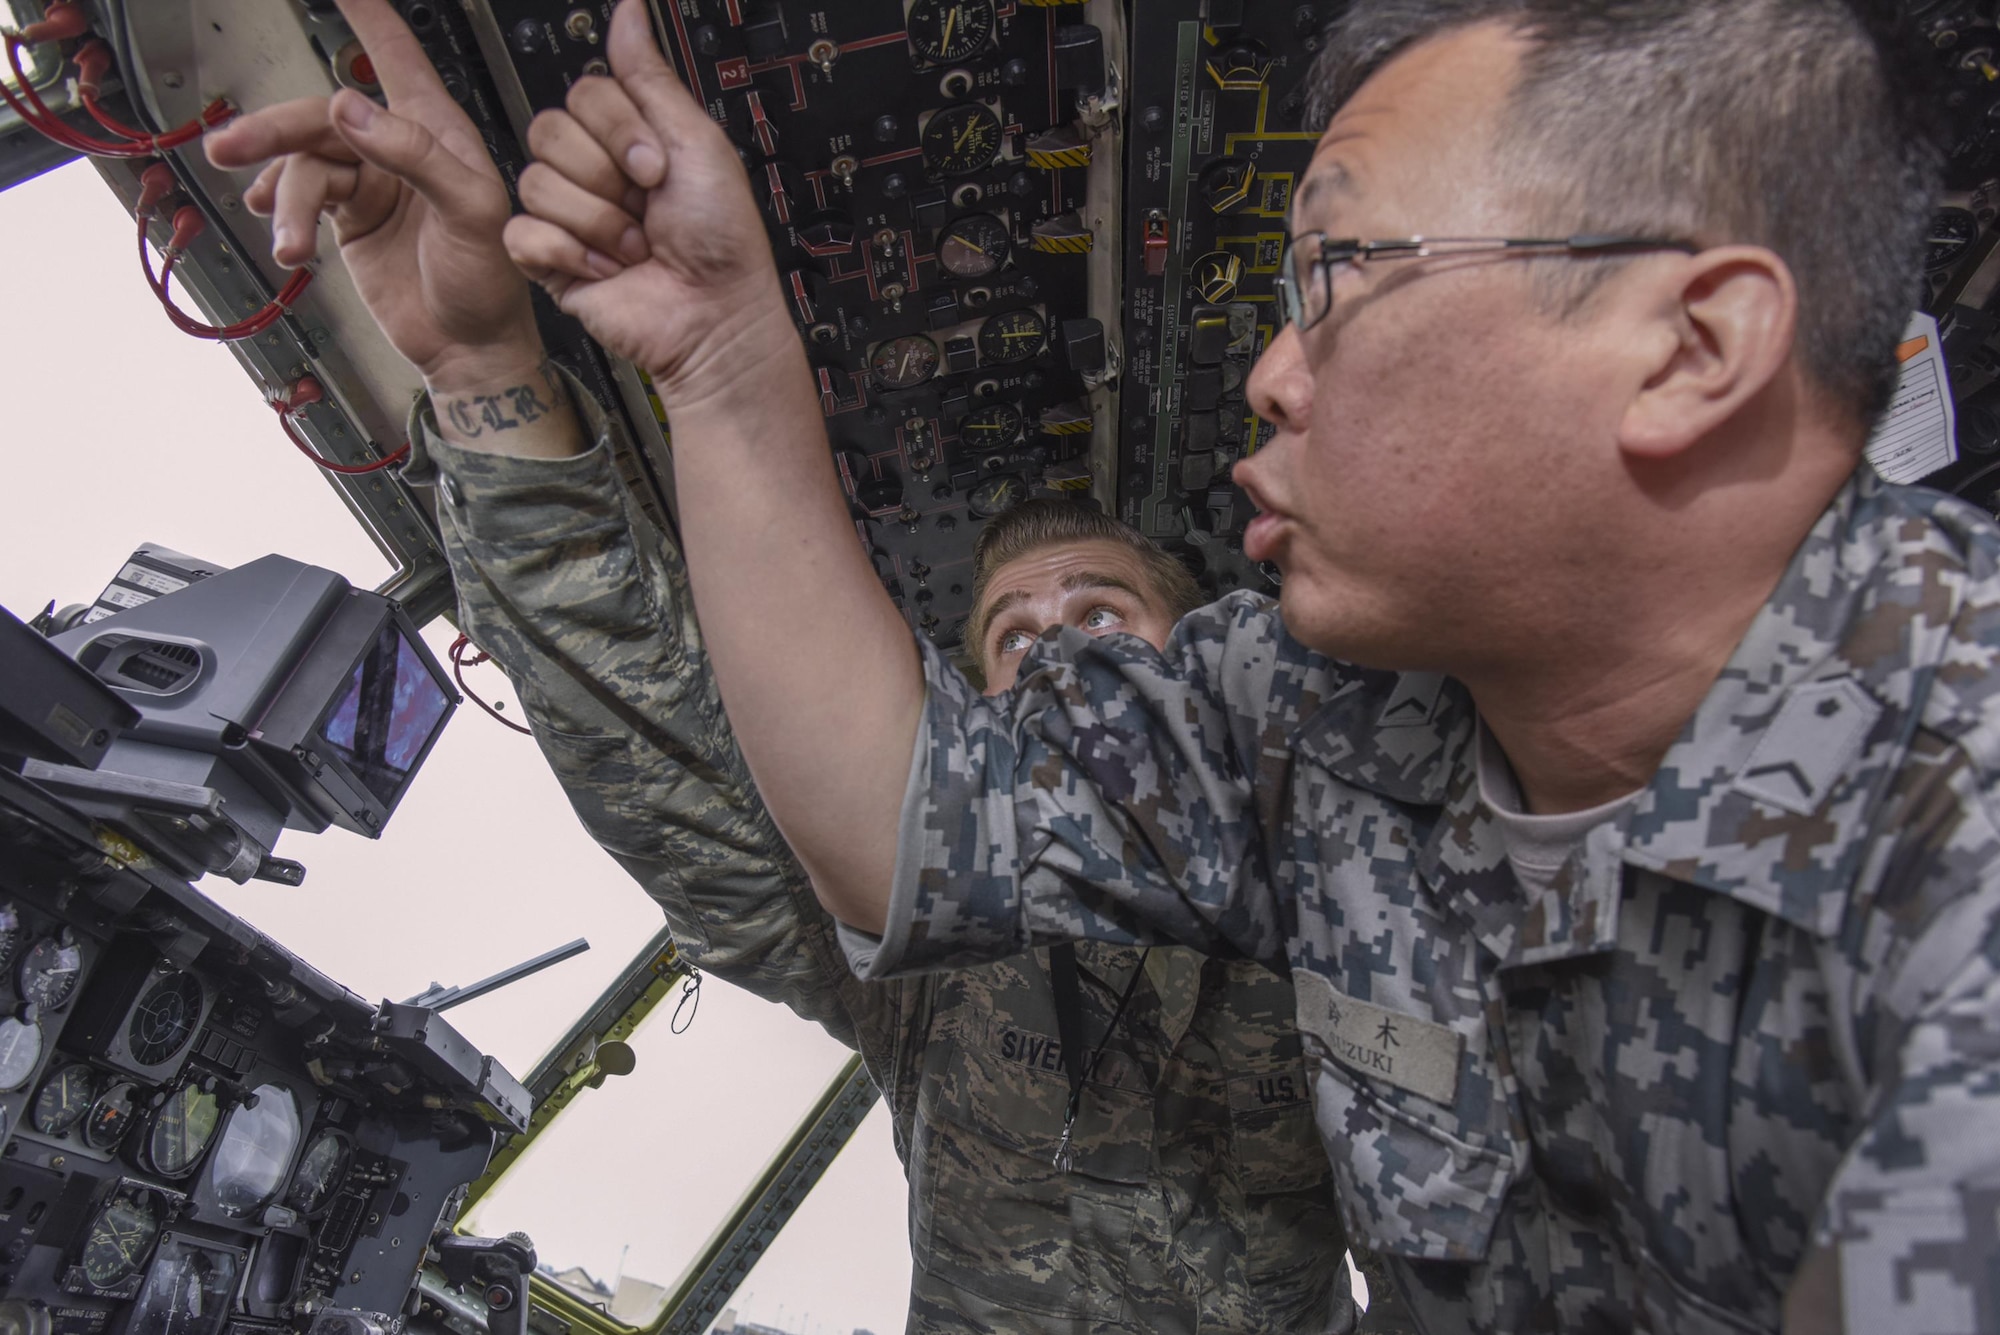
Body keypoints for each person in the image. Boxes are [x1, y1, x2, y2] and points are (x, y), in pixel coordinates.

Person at [501, 0, 2000, 1331]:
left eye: (1338, 277)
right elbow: (901, 807)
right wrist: (722, 359)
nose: (1273, 374)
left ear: (1690, 347)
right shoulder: (1298, 717)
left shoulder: (1955, 838)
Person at [201, 2, 1377, 1328]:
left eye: (1105, 619)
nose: (1058, 658)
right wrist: (482, 368)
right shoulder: (916, 960)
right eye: (1017, 638)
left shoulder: (1354, 887)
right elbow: (661, 732)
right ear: (967, 720)